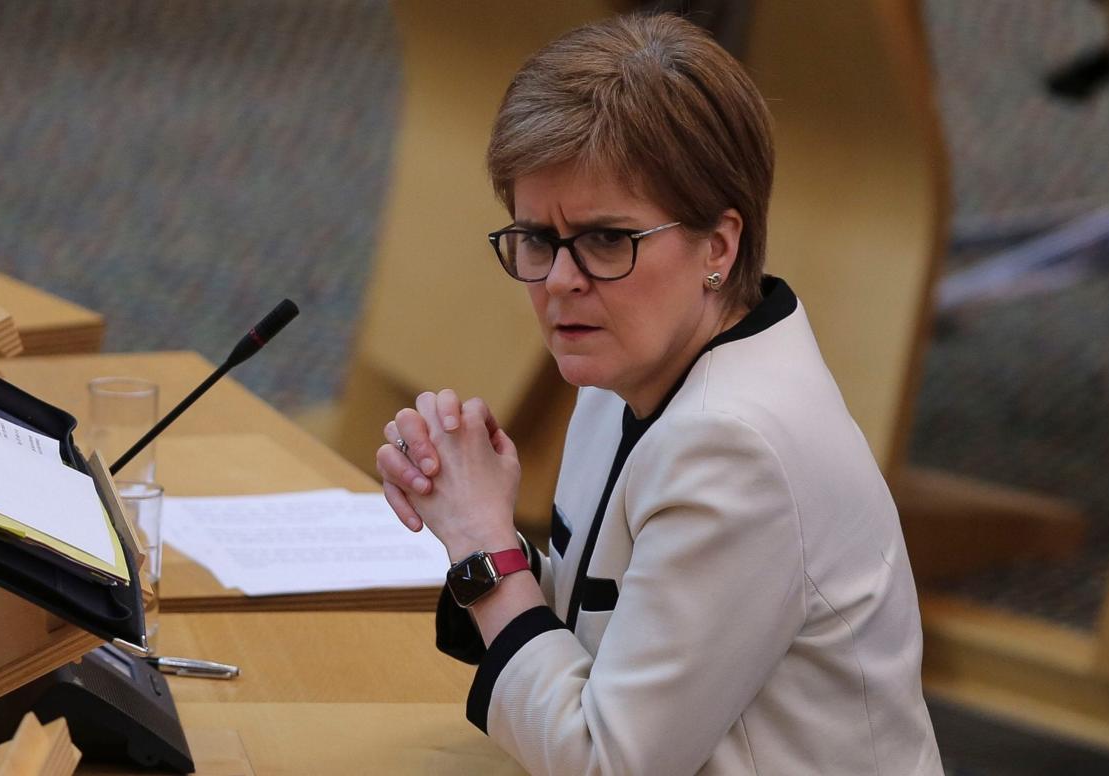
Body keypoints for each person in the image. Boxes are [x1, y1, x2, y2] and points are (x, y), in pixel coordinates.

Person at [376, 13, 942, 775]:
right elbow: (612, 621)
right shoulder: (628, 365)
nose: (559, 281)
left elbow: (607, 762)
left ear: (718, 244)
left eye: (609, 240)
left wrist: (484, 550)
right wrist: (466, 516)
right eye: (536, 239)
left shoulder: (736, 446)